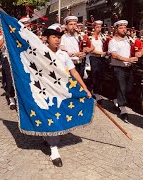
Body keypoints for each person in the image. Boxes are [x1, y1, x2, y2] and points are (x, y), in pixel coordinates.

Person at [42, 23, 92, 167]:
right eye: (54, 37)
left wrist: (84, 88)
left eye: (59, 37)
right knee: (50, 115)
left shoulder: (63, 55)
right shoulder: (40, 53)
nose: (57, 40)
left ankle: (49, 137)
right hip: (47, 91)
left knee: (59, 115)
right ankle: (54, 149)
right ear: (47, 38)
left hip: (63, 92)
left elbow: (73, 71)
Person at [108, 20, 142, 122]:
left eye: (125, 28)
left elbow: (141, 47)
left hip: (129, 67)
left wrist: (139, 53)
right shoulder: (113, 41)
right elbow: (114, 55)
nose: (124, 30)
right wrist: (127, 59)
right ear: (116, 29)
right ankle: (123, 110)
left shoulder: (129, 40)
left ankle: (116, 100)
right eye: (121, 28)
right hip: (118, 68)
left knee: (128, 88)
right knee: (122, 87)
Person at [89, 20, 107, 102]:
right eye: (97, 27)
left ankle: (98, 92)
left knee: (100, 75)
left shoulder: (102, 37)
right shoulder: (91, 38)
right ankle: (95, 92)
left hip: (102, 58)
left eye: (100, 27)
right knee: (95, 75)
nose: (99, 29)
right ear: (94, 28)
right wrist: (102, 53)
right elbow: (91, 50)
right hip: (94, 58)